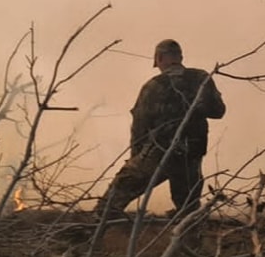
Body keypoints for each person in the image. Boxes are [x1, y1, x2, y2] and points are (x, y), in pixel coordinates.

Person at [95, 39, 226, 220]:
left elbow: (140, 127)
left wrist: (136, 158)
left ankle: (88, 241)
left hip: (158, 153)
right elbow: (218, 111)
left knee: (110, 202)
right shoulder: (201, 78)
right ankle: (190, 246)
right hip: (191, 154)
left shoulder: (153, 86)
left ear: (159, 58)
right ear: (180, 57)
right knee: (188, 212)